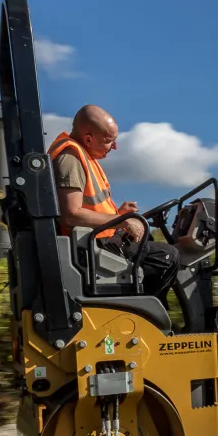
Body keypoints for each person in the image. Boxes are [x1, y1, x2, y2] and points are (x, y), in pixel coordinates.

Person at [49, 104, 180, 303]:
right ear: (88, 139)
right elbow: (71, 214)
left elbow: (88, 207)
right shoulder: (70, 159)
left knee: (148, 237)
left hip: (99, 240)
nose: (115, 147)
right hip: (93, 248)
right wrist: (122, 221)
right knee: (167, 256)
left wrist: (120, 213)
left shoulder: (82, 155)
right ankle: (147, 316)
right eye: (109, 141)